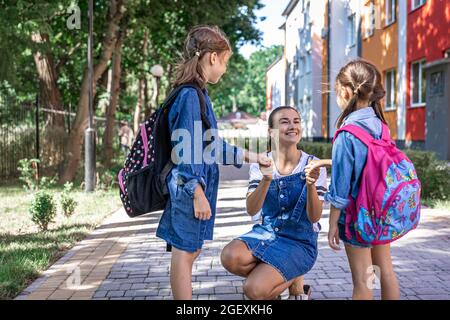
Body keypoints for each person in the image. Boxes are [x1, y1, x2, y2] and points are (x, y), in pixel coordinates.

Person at [155, 25, 271, 300]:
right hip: (189, 187)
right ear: (212, 57)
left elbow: (211, 146)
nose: (226, 68)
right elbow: (186, 152)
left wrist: (252, 156)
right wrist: (196, 193)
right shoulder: (190, 96)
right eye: (226, 61)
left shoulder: (199, 95)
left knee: (190, 249)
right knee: (185, 252)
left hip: (191, 186)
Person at [221, 106, 327, 300]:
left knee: (254, 290)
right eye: (285, 121)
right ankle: (287, 278)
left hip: (299, 242)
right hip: (267, 234)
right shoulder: (260, 163)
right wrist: (266, 179)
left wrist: (311, 184)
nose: (293, 126)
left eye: (296, 121)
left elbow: (315, 217)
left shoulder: (313, 164)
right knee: (230, 256)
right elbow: (251, 209)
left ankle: (287, 277)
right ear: (271, 131)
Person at [322, 59, 400, 300]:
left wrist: (333, 222)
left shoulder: (347, 133)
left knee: (364, 282)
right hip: (381, 210)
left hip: (358, 217)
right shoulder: (380, 125)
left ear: (346, 91)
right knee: (385, 270)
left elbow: (341, 187)